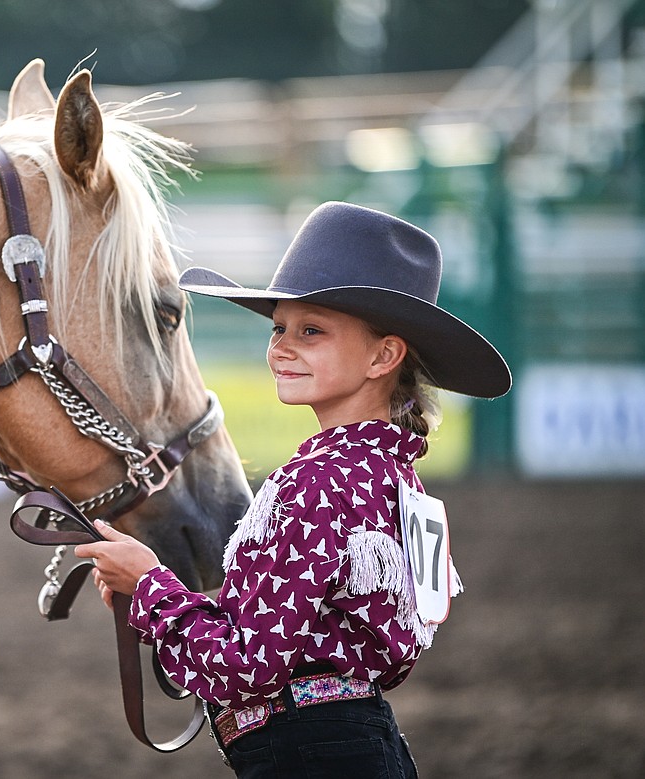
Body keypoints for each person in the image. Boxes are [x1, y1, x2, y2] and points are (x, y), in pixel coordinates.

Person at [73, 201, 510, 777]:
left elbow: (245, 669)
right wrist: (167, 598)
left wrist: (151, 586)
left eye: (312, 331)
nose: (281, 346)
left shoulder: (321, 481)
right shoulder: (388, 476)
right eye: (280, 327)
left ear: (384, 355)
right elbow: (330, 645)